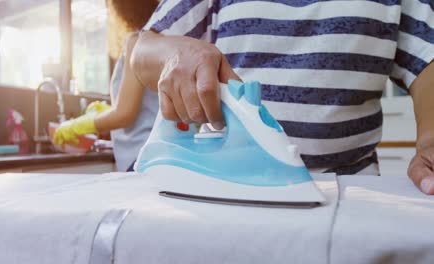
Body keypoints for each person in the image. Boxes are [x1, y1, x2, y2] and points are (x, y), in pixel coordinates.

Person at [130, 0, 434, 194]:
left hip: (353, 192)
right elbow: (143, 50)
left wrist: (430, 139)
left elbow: (427, 57)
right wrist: (178, 53)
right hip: (229, 198)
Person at [54, 0, 159, 171]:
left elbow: (125, 114)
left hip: (141, 156)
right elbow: (147, 106)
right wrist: (109, 110)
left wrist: (76, 126)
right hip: (156, 153)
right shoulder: (158, 41)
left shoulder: (136, 41)